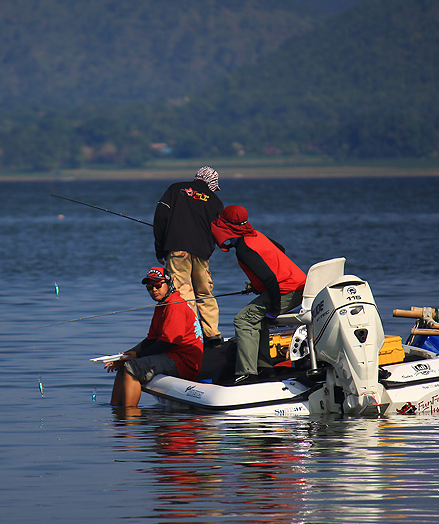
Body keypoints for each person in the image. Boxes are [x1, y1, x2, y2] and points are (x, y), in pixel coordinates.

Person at [210, 205, 307, 385]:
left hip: (285, 290)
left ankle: (247, 373)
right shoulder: (255, 234)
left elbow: (269, 278)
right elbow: (280, 249)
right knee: (257, 319)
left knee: (243, 320)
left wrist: (275, 308)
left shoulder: (244, 249)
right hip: (299, 286)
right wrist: (259, 286)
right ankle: (264, 367)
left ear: (227, 227)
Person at [107, 266, 204, 407]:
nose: (154, 290)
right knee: (124, 364)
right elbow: (151, 339)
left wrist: (136, 355)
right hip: (171, 355)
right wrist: (123, 356)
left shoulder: (174, 305)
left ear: (169, 283)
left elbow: (167, 343)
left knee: (131, 367)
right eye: (149, 287)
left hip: (184, 362)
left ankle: (129, 417)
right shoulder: (162, 306)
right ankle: (115, 411)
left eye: (158, 285)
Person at [153, 166, 224, 346]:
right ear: (212, 183)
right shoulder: (216, 201)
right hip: (202, 253)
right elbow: (218, 231)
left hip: (177, 249)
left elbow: (160, 217)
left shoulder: (176, 189)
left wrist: (160, 247)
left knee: (182, 292)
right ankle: (212, 334)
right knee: (204, 292)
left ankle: (190, 334)